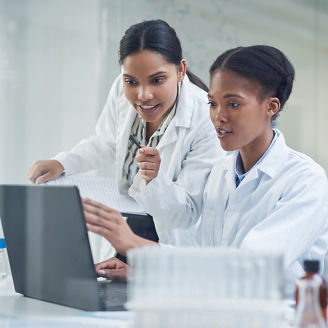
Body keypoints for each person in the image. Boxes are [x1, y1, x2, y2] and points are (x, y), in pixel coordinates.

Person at [82, 45, 328, 298]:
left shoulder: (306, 180)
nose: (218, 116)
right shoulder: (220, 173)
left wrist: (136, 245)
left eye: (233, 104)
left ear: (271, 106)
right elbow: (204, 262)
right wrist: (143, 273)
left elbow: (249, 268)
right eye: (212, 103)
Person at [27, 19, 225, 250]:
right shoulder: (120, 89)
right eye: (131, 81)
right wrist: (62, 162)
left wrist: (154, 180)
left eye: (157, 80)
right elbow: (107, 141)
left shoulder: (206, 118)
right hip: (125, 229)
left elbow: (187, 213)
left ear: (180, 70)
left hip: (170, 244)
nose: (143, 95)